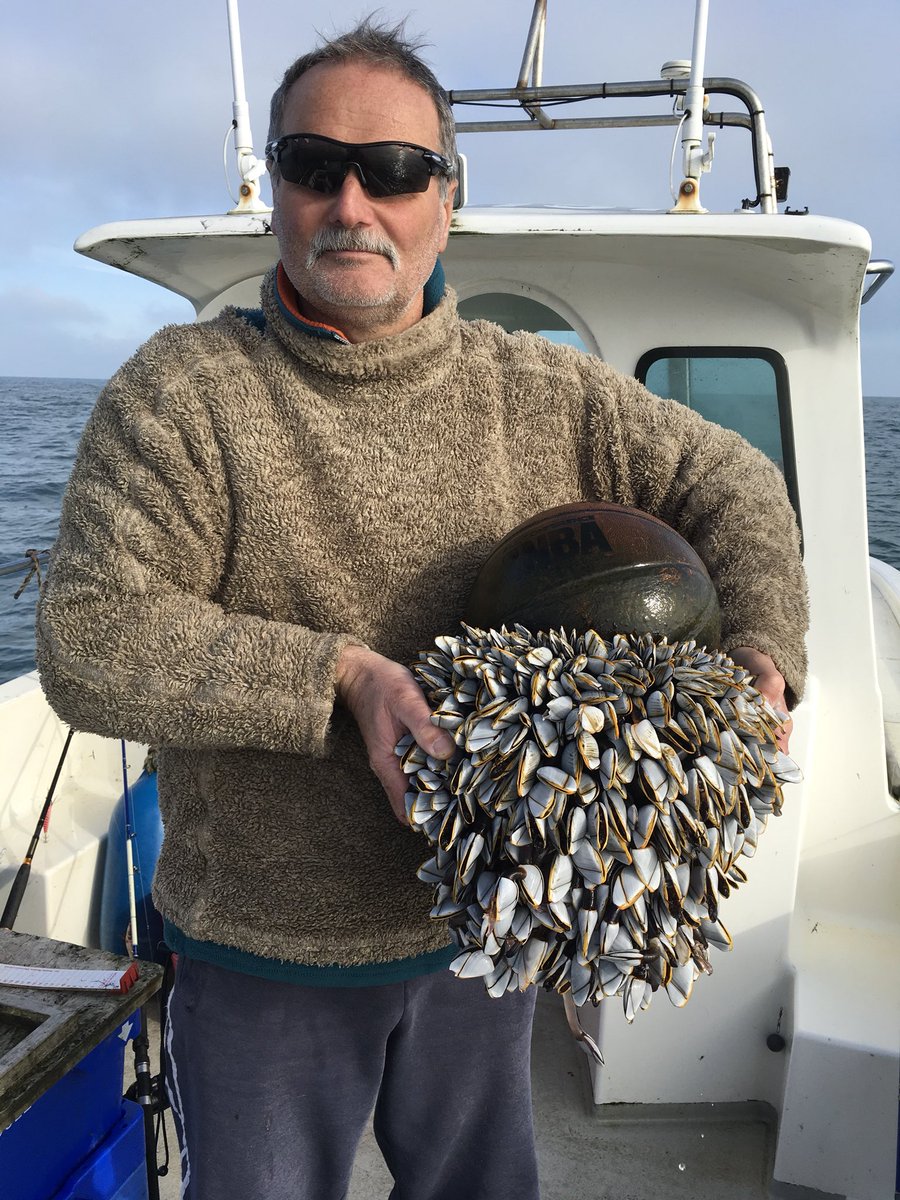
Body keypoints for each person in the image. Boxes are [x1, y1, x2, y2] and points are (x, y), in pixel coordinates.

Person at [35, 17, 807, 1200]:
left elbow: (735, 481)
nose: (354, 202)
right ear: (277, 196)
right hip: (259, 947)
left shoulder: (540, 388)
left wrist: (762, 644)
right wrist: (346, 677)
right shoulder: (183, 394)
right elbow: (90, 640)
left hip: (478, 933)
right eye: (312, 166)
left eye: (394, 170)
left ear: (446, 196)